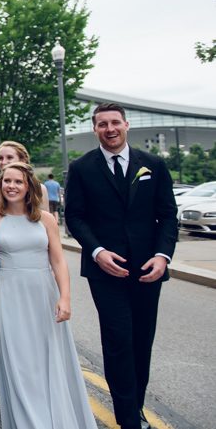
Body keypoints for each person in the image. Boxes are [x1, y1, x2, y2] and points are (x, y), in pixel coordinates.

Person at [65, 103, 177, 429]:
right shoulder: (82, 167)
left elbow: (168, 215)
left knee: (141, 342)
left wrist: (162, 256)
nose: (109, 129)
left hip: (147, 270)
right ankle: (128, 418)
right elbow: (75, 216)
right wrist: (97, 251)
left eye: (115, 122)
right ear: (95, 129)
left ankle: (136, 407)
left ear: (126, 125)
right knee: (118, 342)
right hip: (105, 271)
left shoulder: (153, 165)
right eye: (102, 124)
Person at [0, 162, 96, 429]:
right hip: (9, 296)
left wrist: (65, 297)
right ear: (1, 184)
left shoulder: (46, 220)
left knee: (46, 358)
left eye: (18, 182)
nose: (12, 186)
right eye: (7, 181)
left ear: (29, 186)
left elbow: (59, 262)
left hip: (43, 295)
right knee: (18, 361)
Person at [0, 139, 48, 381]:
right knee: (2, 328)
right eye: (1, 158)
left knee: (34, 328)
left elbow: (45, 232)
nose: (3, 162)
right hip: (0, 263)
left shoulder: (40, 189)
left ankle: (36, 379)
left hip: (32, 267)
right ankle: (6, 381)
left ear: (24, 159)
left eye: (9, 157)